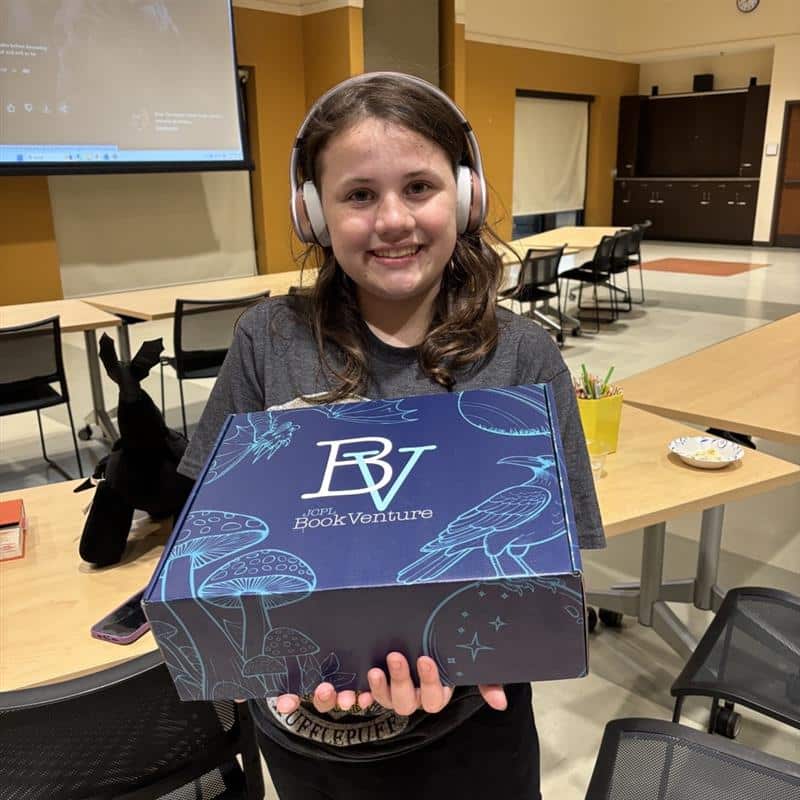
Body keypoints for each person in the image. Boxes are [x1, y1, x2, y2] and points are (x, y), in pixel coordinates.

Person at [178, 71, 604, 800]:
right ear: (314, 213)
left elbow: (548, 563)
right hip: (305, 738)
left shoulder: (522, 357)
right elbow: (212, 540)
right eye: (358, 195)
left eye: (419, 187)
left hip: (471, 736)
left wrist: (487, 646)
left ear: (465, 197)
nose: (393, 220)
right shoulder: (267, 342)